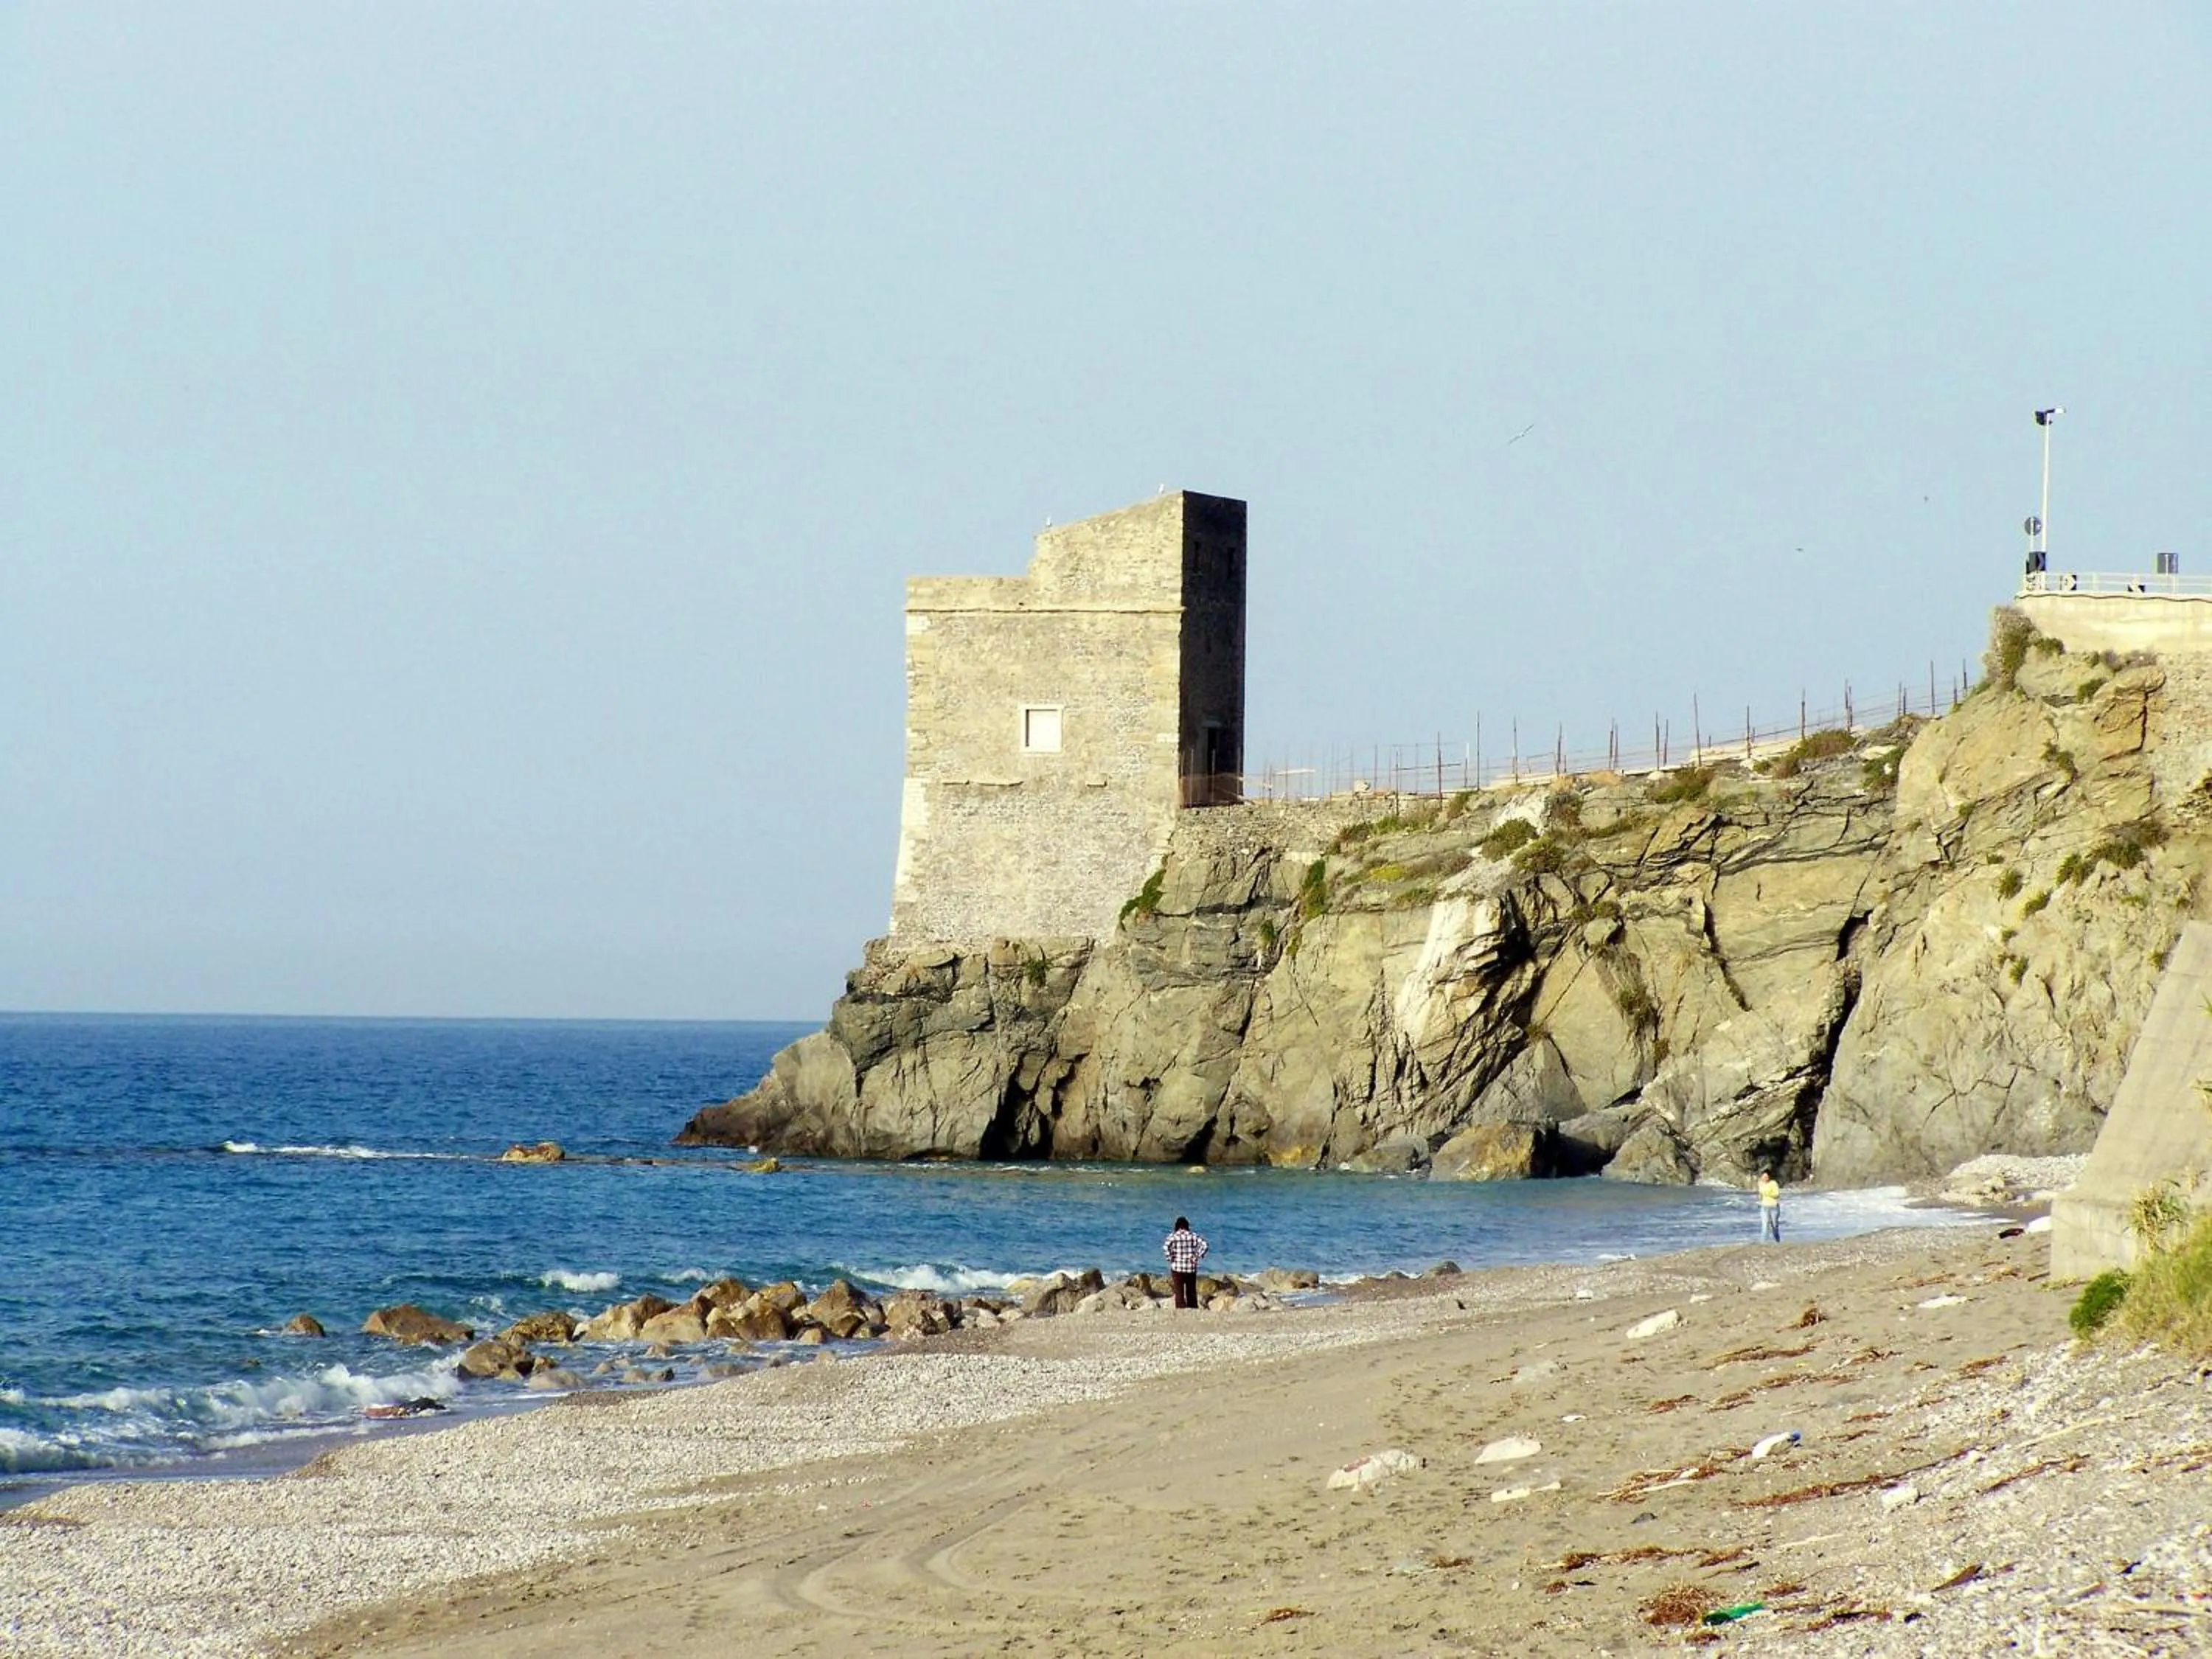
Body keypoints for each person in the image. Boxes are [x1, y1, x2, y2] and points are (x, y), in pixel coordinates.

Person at [1164, 1215, 1208, 1308]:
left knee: (1179, 1291)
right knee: (1191, 1290)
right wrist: (1197, 1256)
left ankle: (1181, 1307)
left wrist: (1170, 1257)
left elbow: (1166, 1247)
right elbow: (1205, 1245)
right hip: (1190, 1267)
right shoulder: (1193, 1236)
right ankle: (1192, 1307)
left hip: (1177, 1266)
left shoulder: (1173, 1236)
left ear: (1177, 1226)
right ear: (1187, 1226)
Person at [1758, 1169, 1783, 1243]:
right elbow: (1761, 1194)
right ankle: (1763, 1243)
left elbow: (1777, 1194)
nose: (1765, 1178)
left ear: (1769, 1177)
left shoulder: (1773, 1183)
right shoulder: (1760, 1183)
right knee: (1765, 1226)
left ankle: (1777, 1241)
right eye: (1763, 1177)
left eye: (1766, 1177)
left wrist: (1767, 1193)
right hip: (1764, 1207)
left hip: (1774, 1207)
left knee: (1774, 1226)